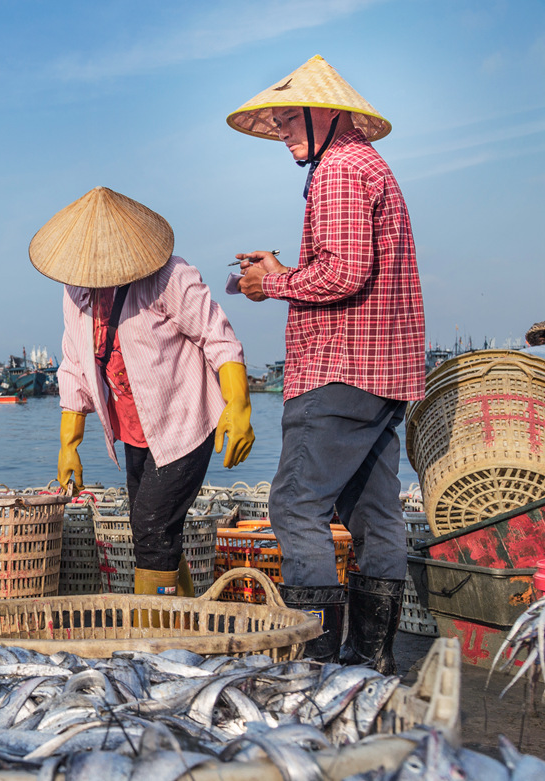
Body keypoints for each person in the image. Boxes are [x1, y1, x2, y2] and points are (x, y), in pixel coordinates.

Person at [227, 55, 425, 671]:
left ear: (325, 115)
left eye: (289, 120)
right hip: (382, 373)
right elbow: (347, 261)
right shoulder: (367, 165)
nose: (282, 131)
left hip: (340, 369)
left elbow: (343, 272)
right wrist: (279, 268)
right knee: (373, 511)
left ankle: (312, 663)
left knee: (294, 505)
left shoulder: (338, 169)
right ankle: (372, 660)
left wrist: (274, 279)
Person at [29, 186, 254, 607]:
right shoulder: (75, 293)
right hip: (135, 430)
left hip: (186, 420)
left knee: (150, 526)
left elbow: (219, 339)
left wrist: (239, 406)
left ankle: (159, 639)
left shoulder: (169, 276)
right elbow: (74, 365)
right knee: (155, 529)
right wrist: (68, 446)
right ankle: (186, 621)